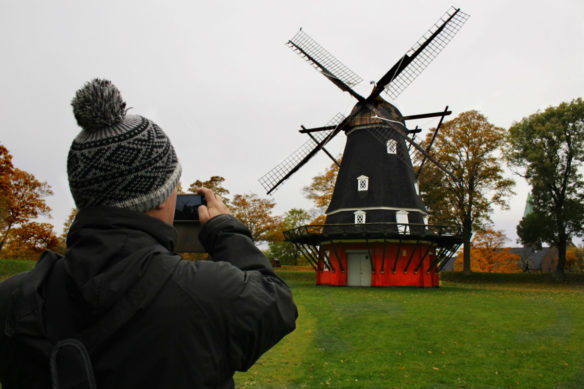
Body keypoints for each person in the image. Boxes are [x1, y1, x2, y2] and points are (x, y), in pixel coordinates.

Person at [0, 79, 297, 389]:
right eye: (175, 184)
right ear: (161, 196)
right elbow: (277, 303)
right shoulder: (209, 295)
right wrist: (225, 230)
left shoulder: (13, 302)